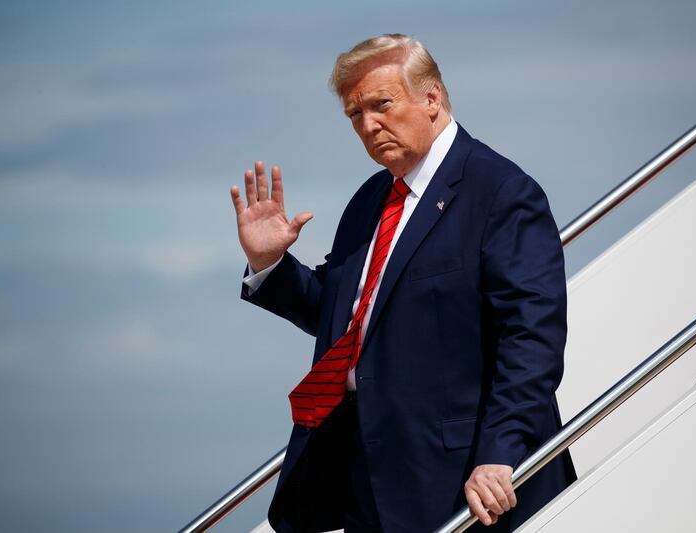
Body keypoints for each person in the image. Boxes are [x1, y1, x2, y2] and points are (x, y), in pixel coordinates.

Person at [230, 34, 576, 533]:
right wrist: (270, 264)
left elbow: (531, 337)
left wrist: (501, 454)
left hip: (463, 481)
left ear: (431, 98)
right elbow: (344, 319)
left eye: (381, 105)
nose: (369, 125)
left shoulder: (501, 191)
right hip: (369, 478)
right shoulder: (370, 200)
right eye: (355, 114)